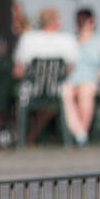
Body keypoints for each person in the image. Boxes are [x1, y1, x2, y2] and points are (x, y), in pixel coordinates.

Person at [14, 7, 80, 144]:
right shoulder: (67, 40)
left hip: (30, 91)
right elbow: (71, 69)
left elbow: (18, 71)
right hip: (56, 90)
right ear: (57, 23)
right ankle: (78, 134)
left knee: (17, 95)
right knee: (58, 94)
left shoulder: (28, 39)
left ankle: (25, 136)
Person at [63, 7, 100, 145]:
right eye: (78, 20)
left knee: (85, 92)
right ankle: (79, 131)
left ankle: (81, 133)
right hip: (72, 78)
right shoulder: (71, 40)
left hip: (92, 79)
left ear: (92, 21)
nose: (80, 23)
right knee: (64, 92)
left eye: (83, 19)